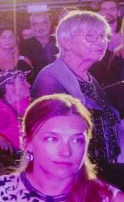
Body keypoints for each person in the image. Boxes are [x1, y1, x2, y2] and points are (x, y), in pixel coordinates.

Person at [32, 11, 123, 186]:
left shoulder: (89, 78)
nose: (100, 42)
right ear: (66, 41)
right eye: (90, 36)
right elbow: (49, 137)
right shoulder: (50, 78)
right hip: (74, 177)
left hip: (104, 168)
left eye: (103, 36)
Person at [0, 26, 33, 103]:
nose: (7, 40)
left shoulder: (24, 61)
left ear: (15, 40)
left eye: (11, 37)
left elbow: (31, 87)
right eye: (3, 37)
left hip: (22, 106)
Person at [91, 0, 124, 85]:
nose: (108, 12)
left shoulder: (122, 38)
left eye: (112, 9)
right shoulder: (92, 38)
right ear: (99, 13)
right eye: (104, 9)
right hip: (101, 87)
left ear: (118, 12)